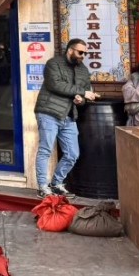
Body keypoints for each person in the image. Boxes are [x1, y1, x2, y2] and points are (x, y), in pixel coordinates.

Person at [33, 38, 97, 198]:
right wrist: (82, 93)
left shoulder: (83, 70)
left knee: (72, 154)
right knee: (45, 150)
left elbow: (83, 97)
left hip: (69, 115)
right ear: (70, 50)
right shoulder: (53, 64)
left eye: (85, 53)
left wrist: (80, 100)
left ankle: (56, 183)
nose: (83, 55)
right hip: (49, 111)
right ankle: (42, 186)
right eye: (81, 52)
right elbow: (55, 85)